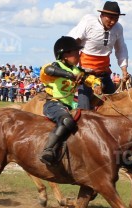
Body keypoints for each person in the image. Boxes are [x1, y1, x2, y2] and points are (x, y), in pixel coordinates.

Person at [38, 36, 100, 166]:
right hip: (53, 104)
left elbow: (91, 79)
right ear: (65, 55)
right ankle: (48, 150)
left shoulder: (78, 71)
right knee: (66, 120)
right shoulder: (56, 66)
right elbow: (47, 70)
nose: (79, 55)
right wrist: (70, 76)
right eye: (75, 52)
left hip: (69, 106)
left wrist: (96, 85)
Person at [68, 1, 130, 110]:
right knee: (84, 110)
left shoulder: (118, 28)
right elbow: (72, 42)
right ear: (102, 15)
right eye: (110, 18)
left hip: (104, 74)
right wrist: (71, 67)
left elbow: (121, 49)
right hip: (86, 76)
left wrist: (124, 70)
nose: (112, 22)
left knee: (116, 107)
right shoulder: (88, 22)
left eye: (116, 19)